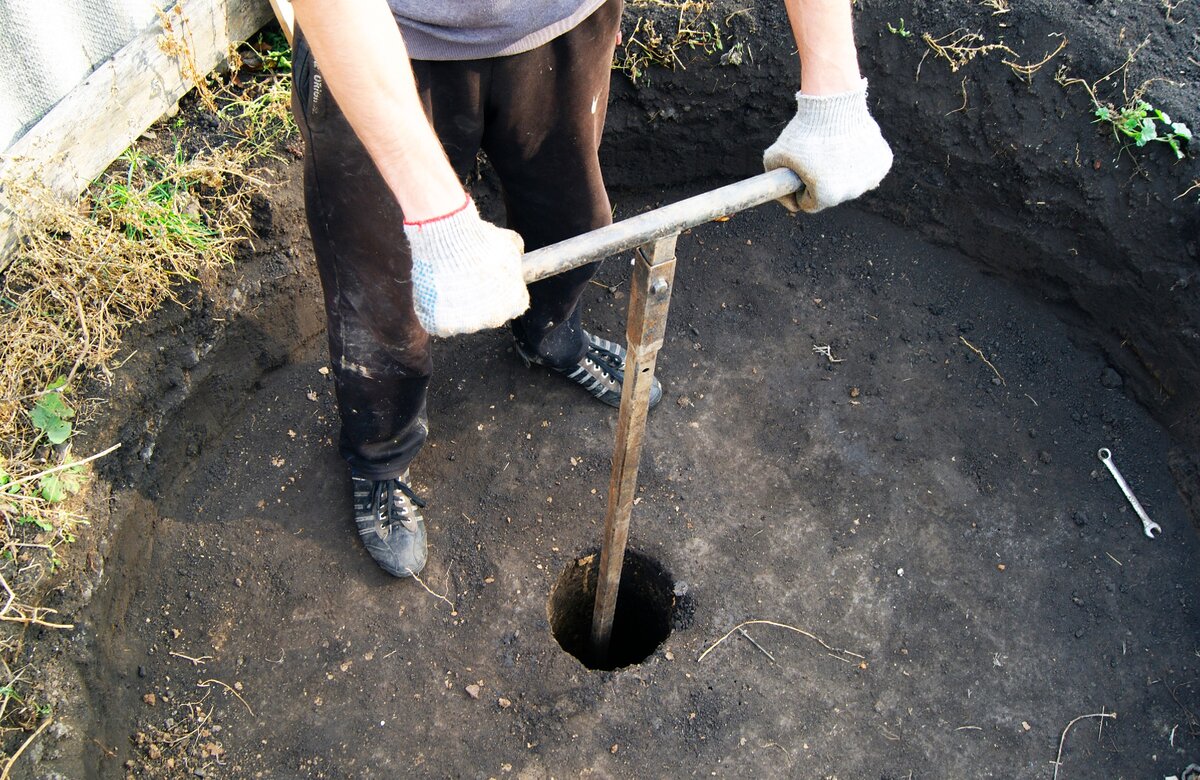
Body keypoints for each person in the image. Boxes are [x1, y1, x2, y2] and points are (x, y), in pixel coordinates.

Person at [288, 0, 892, 578]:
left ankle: (548, 336)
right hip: (383, 39)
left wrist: (834, 92)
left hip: (562, 23)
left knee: (573, 224)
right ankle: (381, 454)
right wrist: (436, 219)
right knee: (382, 293)